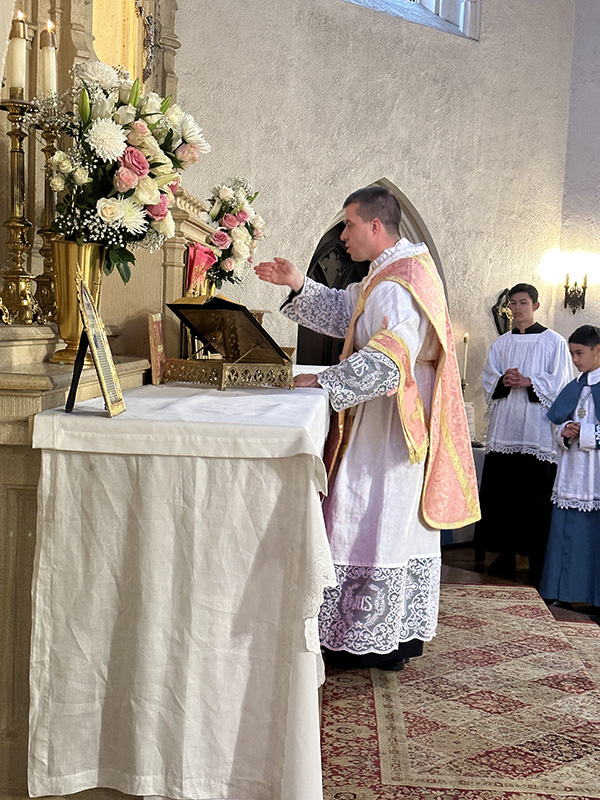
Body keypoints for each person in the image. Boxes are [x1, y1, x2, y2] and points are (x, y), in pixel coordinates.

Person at [255, 186, 479, 670]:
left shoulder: (401, 284)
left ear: (376, 226)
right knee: (369, 514)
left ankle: (375, 638)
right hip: (380, 415)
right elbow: (348, 313)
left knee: (373, 513)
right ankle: (375, 633)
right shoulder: (389, 273)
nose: (343, 234)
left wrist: (324, 380)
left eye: (350, 224)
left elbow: (387, 364)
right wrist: (297, 284)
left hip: (390, 424)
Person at [473, 284, 572, 582]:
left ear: (536, 305)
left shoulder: (554, 342)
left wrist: (530, 382)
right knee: (504, 496)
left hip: (537, 432)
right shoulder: (501, 344)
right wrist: (503, 380)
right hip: (506, 429)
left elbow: (562, 382)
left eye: (523, 302)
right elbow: (488, 378)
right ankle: (505, 555)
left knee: (534, 498)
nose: (517, 308)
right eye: (513, 303)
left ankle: (537, 561)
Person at [539, 324, 600, 606]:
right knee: (567, 533)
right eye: (572, 354)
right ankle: (563, 593)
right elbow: (556, 423)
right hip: (573, 470)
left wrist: (584, 433)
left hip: (596, 472)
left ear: (598, 351)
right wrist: (564, 431)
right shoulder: (574, 387)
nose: (575, 360)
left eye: (580, 353)